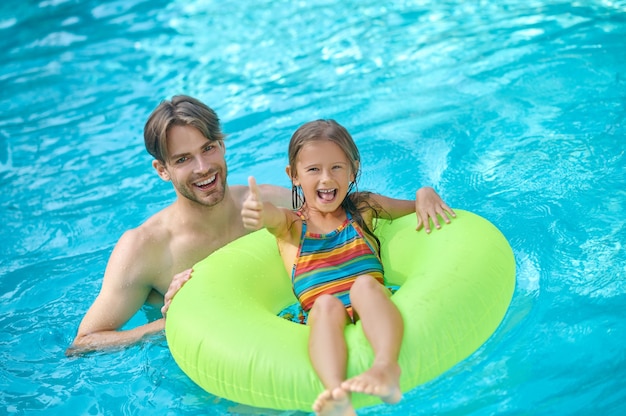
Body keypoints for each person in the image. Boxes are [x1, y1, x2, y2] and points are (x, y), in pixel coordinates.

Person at [67, 95, 453, 356]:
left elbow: (354, 209)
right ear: (162, 170)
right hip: (208, 367)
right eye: (183, 159)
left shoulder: (278, 204)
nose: (203, 169)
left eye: (208, 149)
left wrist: (422, 194)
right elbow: (82, 344)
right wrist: (166, 326)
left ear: (223, 143)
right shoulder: (146, 248)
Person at [241, 119, 456, 415]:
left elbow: (414, 206)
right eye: (313, 169)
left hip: (371, 301)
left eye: (336, 168)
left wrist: (425, 192)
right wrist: (257, 212)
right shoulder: (291, 225)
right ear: (294, 176)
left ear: (352, 170)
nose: (326, 179)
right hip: (324, 314)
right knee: (325, 306)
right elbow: (271, 217)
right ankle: (336, 394)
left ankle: (385, 369)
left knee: (366, 286)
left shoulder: (363, 208)